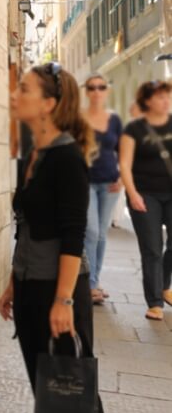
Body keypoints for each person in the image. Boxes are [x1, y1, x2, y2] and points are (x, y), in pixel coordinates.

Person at [0, 62, 108, 413]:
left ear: (48, 104)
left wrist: (63, 300)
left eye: (23, 89)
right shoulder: (35, 155)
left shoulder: (65, 158)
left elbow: (72, 235)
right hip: (30, 283)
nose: (15, 95)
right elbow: (26, 228)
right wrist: (13, 283)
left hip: (57, 288)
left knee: (71, 372)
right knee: (46, 374)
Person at [119, 80, 172, 321]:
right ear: (148, 100)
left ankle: (164, 286)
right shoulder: (134, 129)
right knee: (152, 248)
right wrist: (133, 194)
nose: (166, 100)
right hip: (145, 195)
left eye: (168, 96)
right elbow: (125, 165)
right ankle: (155, 302)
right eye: (160, 97)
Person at [82, 74, 123, 304]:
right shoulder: (78, 118)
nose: (97, 91)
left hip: (111, 183)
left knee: (101, 234)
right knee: (92, 231)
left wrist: (124, 180)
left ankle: (94, 281)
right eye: (92, 87)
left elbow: (124, 152)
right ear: (87, 91)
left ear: (106, 91)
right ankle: (88, 284)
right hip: (85, 181)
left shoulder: (114, 120)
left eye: (101, 87)